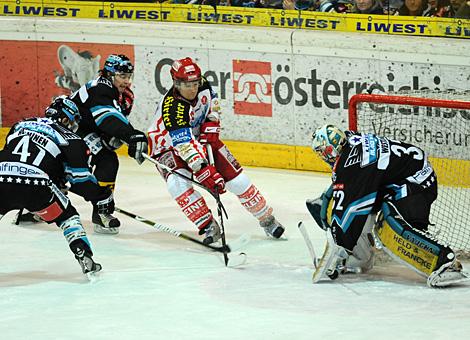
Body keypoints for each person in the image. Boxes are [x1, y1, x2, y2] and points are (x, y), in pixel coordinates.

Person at [307, 124, 468, 287]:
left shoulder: (353, 162)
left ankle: (445, 262)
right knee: (362, 207)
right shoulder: (349, 141)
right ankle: (360, 257)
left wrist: (339, 246)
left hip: (417, 181)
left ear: (330, 150)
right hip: (403, 175)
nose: (323, 156)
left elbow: (352, 207)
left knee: (389, 227)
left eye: (323, 151)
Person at [147, 57, 285, 245]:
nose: (193, 88)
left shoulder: (204, 85)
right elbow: (184, 144)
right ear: (176, 83)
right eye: (188, 85)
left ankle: (266, 218)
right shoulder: (173, 106)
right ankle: (208, 225)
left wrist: (212, 122)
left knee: (238, 180)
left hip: (198, 138)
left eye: (195, 83)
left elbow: (213, 103)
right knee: (177, 184)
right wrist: (204, 169)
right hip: (168, 146)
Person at [0, 96, 115, 276]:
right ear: (65, 118)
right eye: (73, 121)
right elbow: (81, 181)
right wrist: (102, 196)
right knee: (68, 217)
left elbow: (16, 159)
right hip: (38, 186)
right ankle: (84, 256)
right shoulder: (71, 137)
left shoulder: (21, 124)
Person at [67, 54, 148, 234]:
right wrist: (131, 135)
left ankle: (101, 210)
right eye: (122, 76)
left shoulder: (125, 96)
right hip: (69, 129)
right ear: (110, 75)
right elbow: (107, 118)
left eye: (129, 76)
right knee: (106, 160)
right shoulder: (101, 87)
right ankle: (101, 211)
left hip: (85, 129)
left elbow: (116, 122)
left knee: (107, 158)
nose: (127, 81)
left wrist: (122, 136)